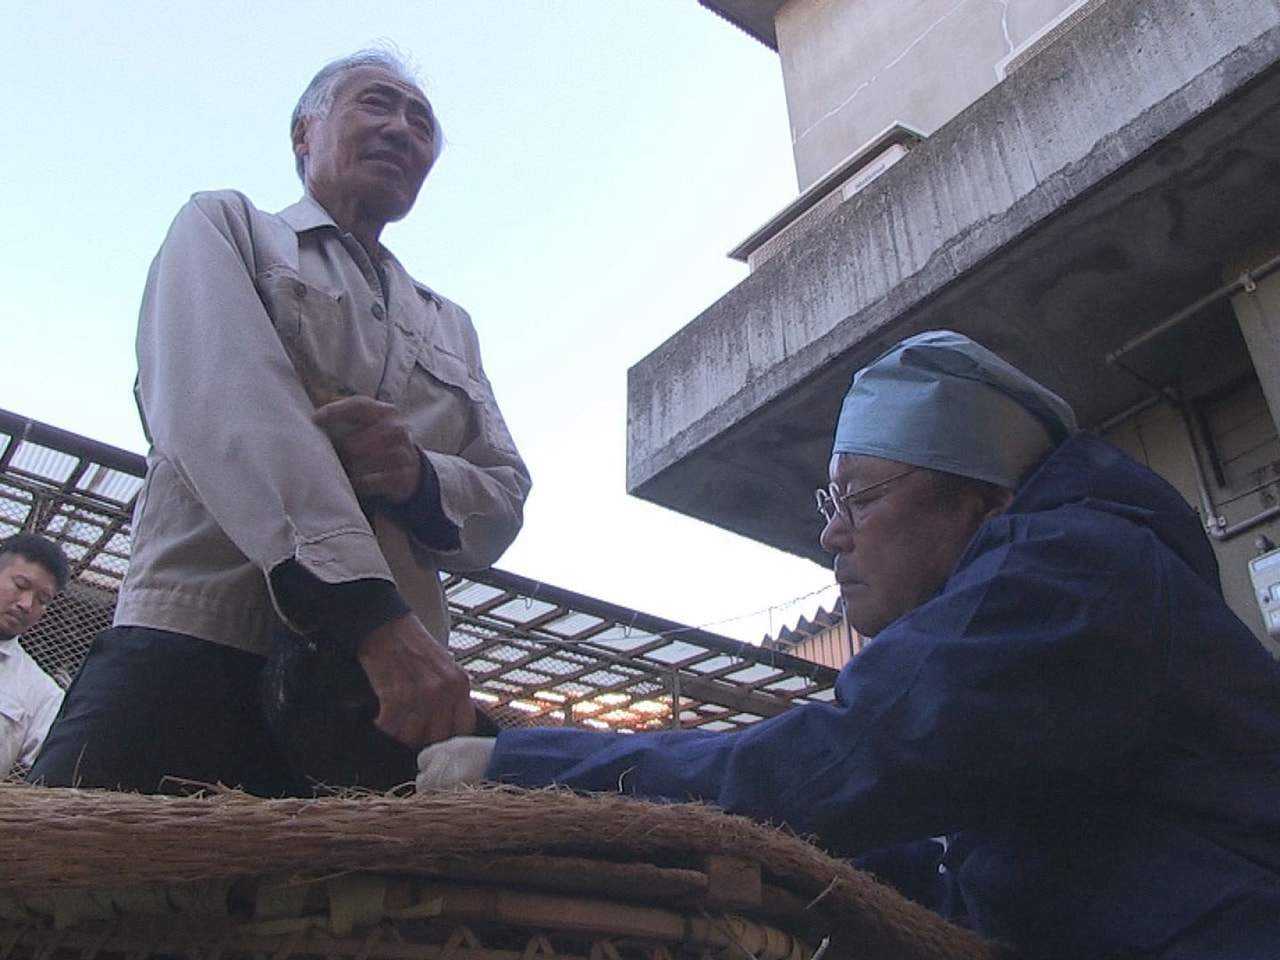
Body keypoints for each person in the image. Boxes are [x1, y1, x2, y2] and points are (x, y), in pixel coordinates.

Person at [417, 330, 1280, 959]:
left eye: (858, 499)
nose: (832, 539)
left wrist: (521, 769)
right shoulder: (1065, 597)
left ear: (984, 503)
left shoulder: (1062, 573)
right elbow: (928, 844)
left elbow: (837, 763)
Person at [31, 48, 530, 797]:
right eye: (376, 105)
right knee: (62, 890)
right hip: (201, 634)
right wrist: (369, 613)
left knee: (348, 913)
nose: (402, 130)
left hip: (382, 700)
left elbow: (504, 498)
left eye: (420, 122)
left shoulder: (450, 326)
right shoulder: (226, 225)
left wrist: (422, 476)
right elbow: (227, 408)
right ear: (305, 134)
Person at [0, 533, 69, 776]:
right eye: (20, 586)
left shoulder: (42, 693)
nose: (27, 605)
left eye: (42, 600)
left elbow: (49, 771)